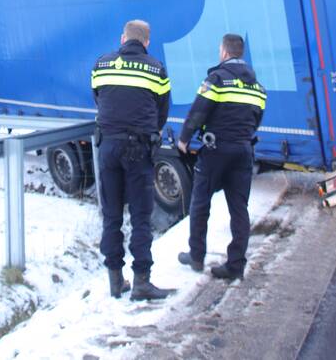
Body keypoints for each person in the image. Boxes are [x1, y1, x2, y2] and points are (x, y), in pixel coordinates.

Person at [91, 19, 175, 301]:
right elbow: (163, 109)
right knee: (140, 217)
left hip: (108, 148)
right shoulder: (156, 69)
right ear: (147, 42)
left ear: (123, 38)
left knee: (111, 216)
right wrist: (150, 129)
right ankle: (141, 282)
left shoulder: (101, 64)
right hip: (139, 149)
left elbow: (98, 97)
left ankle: (115, 280)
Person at [176, 34, 266, 282]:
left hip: (216, 152)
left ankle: (196, 256)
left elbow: (198, 111)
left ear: (225, 52)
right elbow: (256, 120)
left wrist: (184, 139)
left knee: (200, 202)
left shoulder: (216, 79)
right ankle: (235, 265)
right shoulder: (257, 88)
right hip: (243, 151)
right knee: (239, 209)